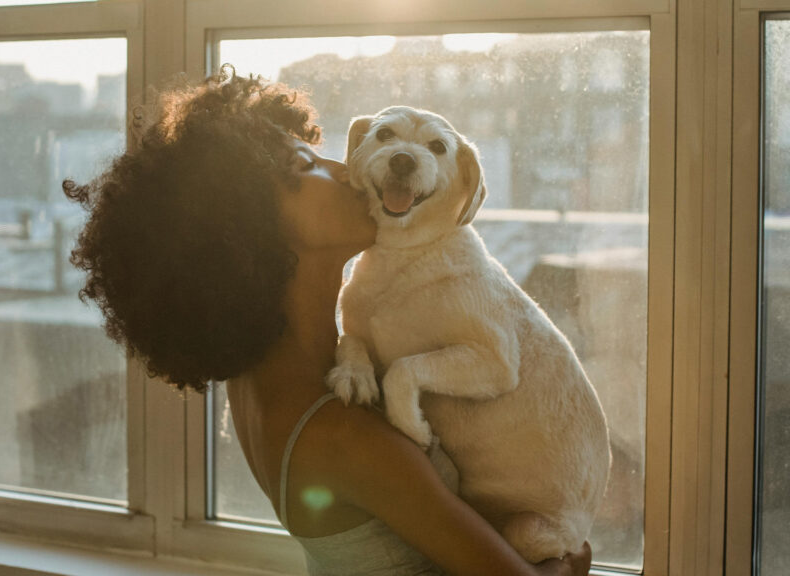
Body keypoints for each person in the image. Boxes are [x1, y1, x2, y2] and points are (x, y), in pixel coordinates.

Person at [64, 69, 593, 576]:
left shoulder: (257, 380)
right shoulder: (348, 439)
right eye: (305, 166)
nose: (344, 169)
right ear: (249, 227)